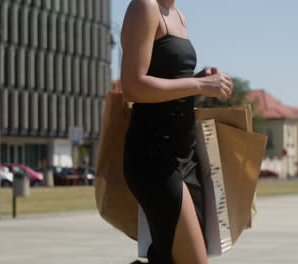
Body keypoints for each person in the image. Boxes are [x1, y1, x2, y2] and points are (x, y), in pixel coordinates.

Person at [120, 1, 233, 263]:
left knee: (171, 257)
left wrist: (200, 81)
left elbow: (170, 81)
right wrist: (199, 83)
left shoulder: (179, 16)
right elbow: (133, 87)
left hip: (185, 153)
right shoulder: (145, 7)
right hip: (153, 154)